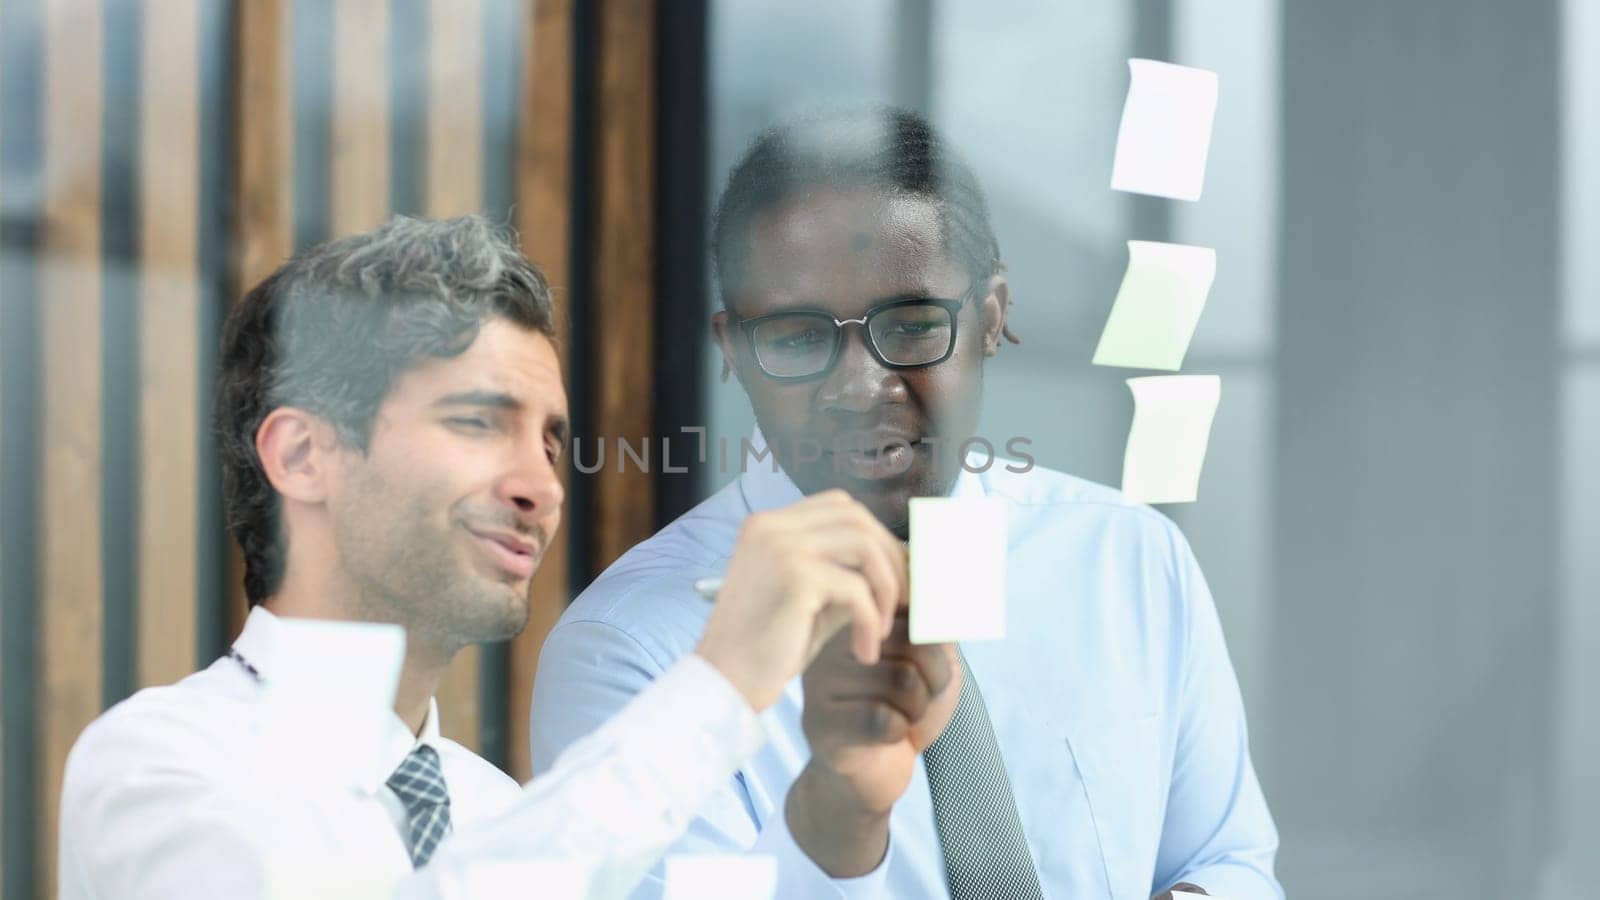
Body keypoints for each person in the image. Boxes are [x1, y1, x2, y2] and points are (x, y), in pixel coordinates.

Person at [529, 107, 1282, 899]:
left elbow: (1224, 862)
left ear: (991, 320)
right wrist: (835, 816)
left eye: (915, 324)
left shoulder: (1127, 559)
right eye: (795, 337)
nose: (861, 386)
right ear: (732, 352)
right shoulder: (632, 654)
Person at [57, 215, 911, 899]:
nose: (542, 485)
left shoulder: (498, 813)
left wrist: (838, 814)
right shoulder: (159, 766)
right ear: (302, 457)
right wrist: (722, 683)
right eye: (477, 423)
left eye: (550, 442)